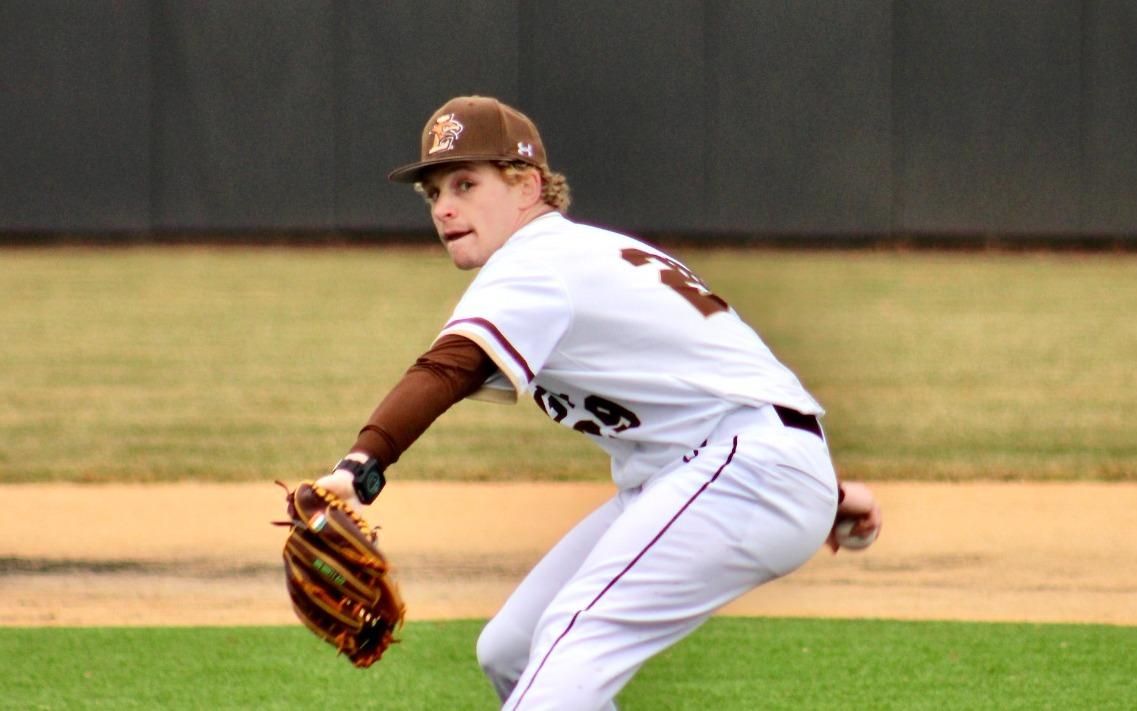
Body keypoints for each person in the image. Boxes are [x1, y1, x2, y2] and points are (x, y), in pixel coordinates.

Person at [314, 95, 882, 710]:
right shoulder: (588, 253)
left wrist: (360, 466)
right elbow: (714, 373)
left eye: (466, 183)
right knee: (513, 650)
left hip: (741, 469)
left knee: (573, 637)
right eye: (433, 193)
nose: (445, 207)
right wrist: (820, 489)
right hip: (735, 468)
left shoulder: (535, 262)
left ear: (528, 186)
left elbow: (447, 367)